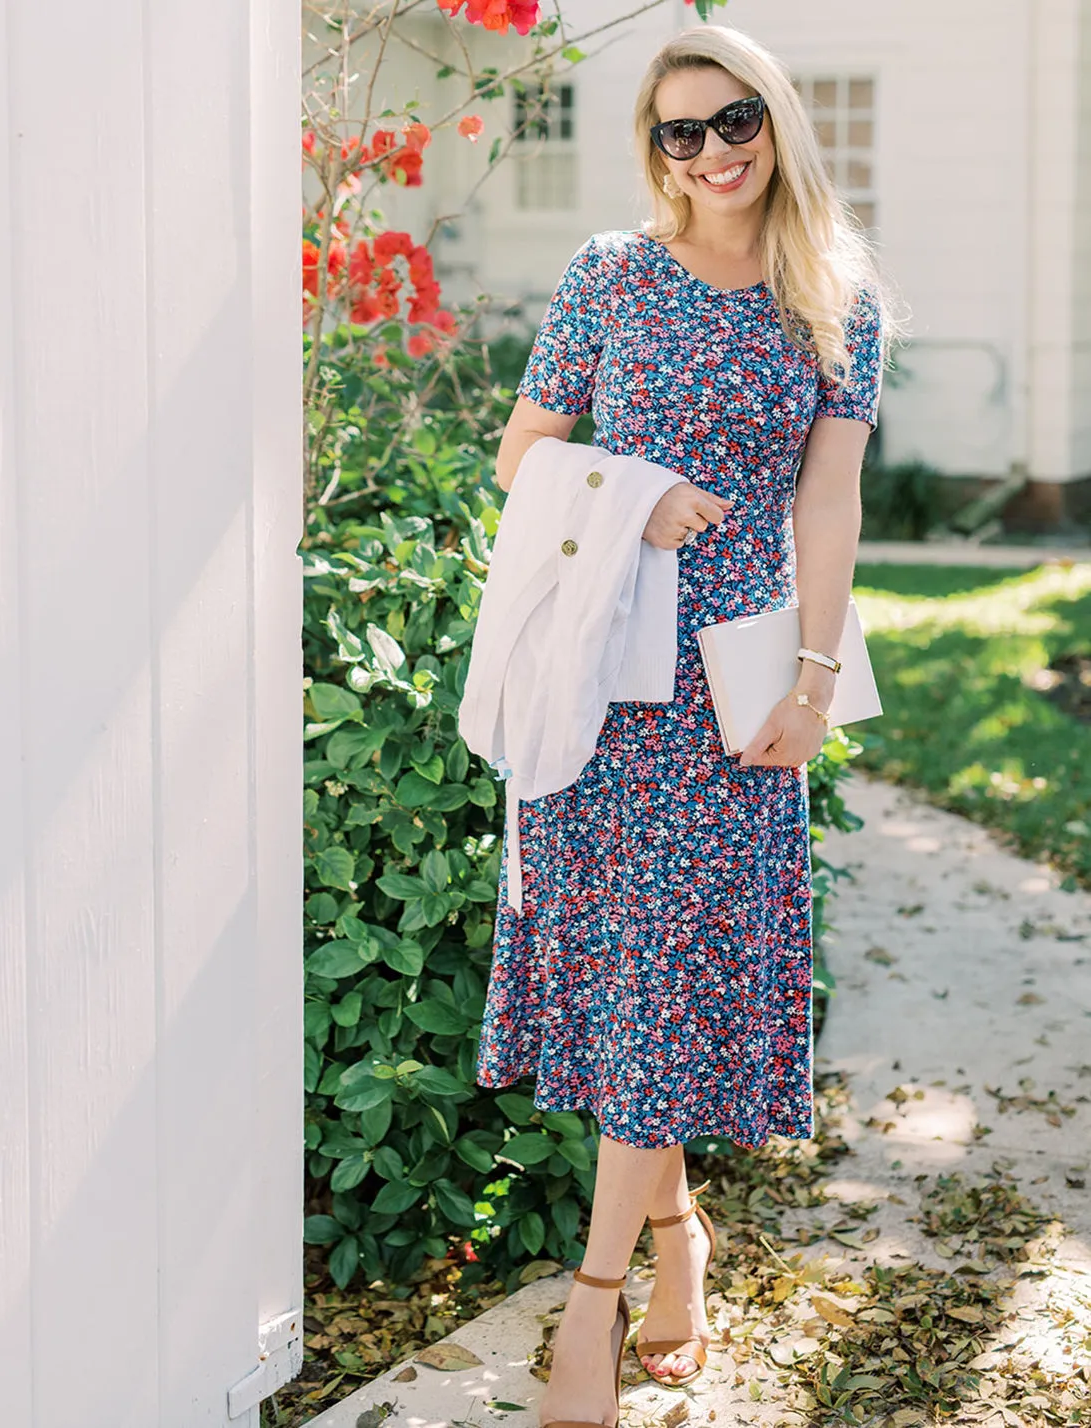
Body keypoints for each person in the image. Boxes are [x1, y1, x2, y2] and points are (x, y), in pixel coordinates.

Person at [473, 22, 897, 1428]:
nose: (713, 152)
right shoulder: (610, 277)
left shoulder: (836, 294)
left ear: (776, 123)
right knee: (624, 984)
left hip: (736, 683)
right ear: (652, 148)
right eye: (680, 132)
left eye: (736, 123)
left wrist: (819, 675)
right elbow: (524, 454)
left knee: (668, 990)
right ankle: (671, 1247)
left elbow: (826, 500)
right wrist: (635, 488)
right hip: (602, 679)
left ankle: (593, 1306)